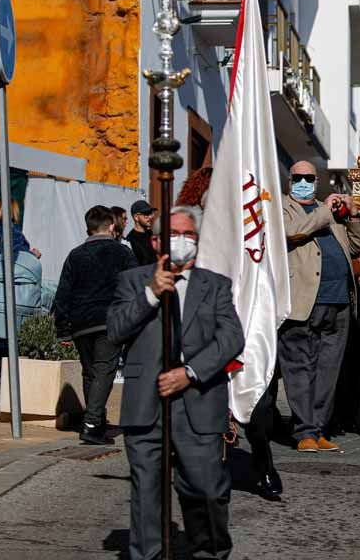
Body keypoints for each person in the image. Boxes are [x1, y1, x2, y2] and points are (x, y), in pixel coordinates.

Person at [108, 205, 244, 560]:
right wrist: (152, 293)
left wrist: (190, 372)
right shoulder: (132, 281)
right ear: (155, 242)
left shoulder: (215, 285)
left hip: (197, 399)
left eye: (189, 235)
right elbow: (115, 330)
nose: (183, 241)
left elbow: (231, 338)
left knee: (206, 489)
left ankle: (209, 551)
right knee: (147, 493)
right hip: (145, 403)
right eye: (174, 235)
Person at [279, 161, 360, 453]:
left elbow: (354, 247)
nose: (303, 182)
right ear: (290, 180)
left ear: (317, 182)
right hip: (304, 301)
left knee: (328, 371)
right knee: (300, 369)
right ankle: (303, 430)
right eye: (297, 178)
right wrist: (326, 211)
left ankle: (318, 429)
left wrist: (353, 217)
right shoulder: (283, 208)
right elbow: (292, 232)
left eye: (308, 178)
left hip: (338, 301)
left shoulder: (327, 211)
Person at [54, 205, 138, 445]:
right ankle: (91, 425)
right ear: (112, 226)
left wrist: (63, 330)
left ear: (88, 228)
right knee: (104, 371)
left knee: (90, 372)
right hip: (110, 320)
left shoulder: (75, 254)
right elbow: (135, 287)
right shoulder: (122, 253)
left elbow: (63, 293)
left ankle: (97, 423)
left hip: (81, 322)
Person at [126, 200, 159, 266]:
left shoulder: (151, 233)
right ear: (136, 217)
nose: (150, 217)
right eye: (146, 214)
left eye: (150, 213)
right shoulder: (131, 240)